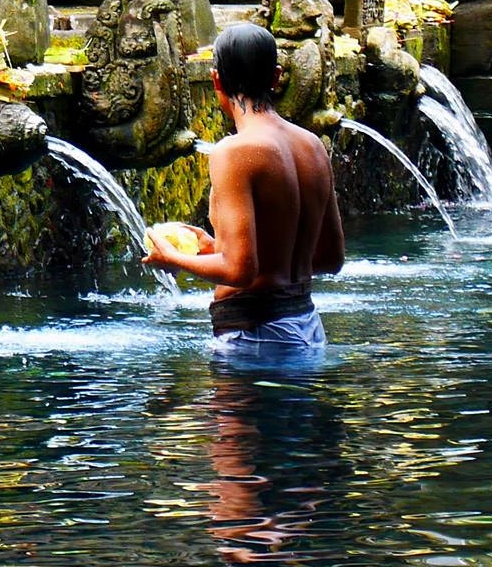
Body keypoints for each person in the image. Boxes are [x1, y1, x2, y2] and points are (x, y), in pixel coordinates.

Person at [143, 23, 344, 354]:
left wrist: (174, 257)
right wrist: (214, 248)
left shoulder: (234, 152)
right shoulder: (312, 146)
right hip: (307, 326)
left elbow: (240, 270)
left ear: (216, 80)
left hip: (256, 336)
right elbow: (330, 258)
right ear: (277, 77)